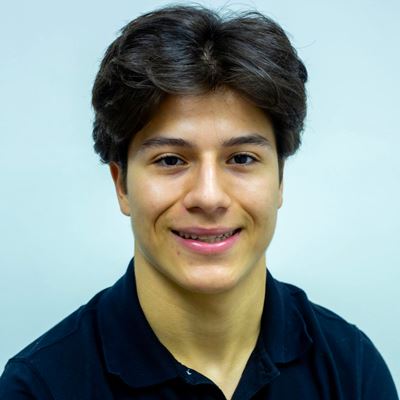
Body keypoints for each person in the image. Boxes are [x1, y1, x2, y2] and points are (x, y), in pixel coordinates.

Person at [0, 5, 398, 400]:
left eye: (242, 158)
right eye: (170, 160)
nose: (209, 197)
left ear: (280, 180)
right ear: (121, 185)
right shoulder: (38, 388)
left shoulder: (351, 370)